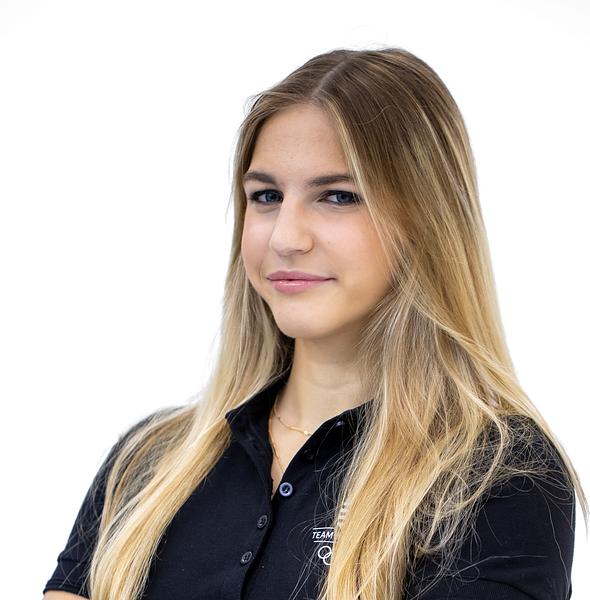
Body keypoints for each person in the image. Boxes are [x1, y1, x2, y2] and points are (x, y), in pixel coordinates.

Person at [43, 46, 586, 600]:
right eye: (266, 196)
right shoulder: (149, 462)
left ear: (426, 219)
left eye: (338, 196)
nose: (285, 237)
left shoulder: (498, 477)